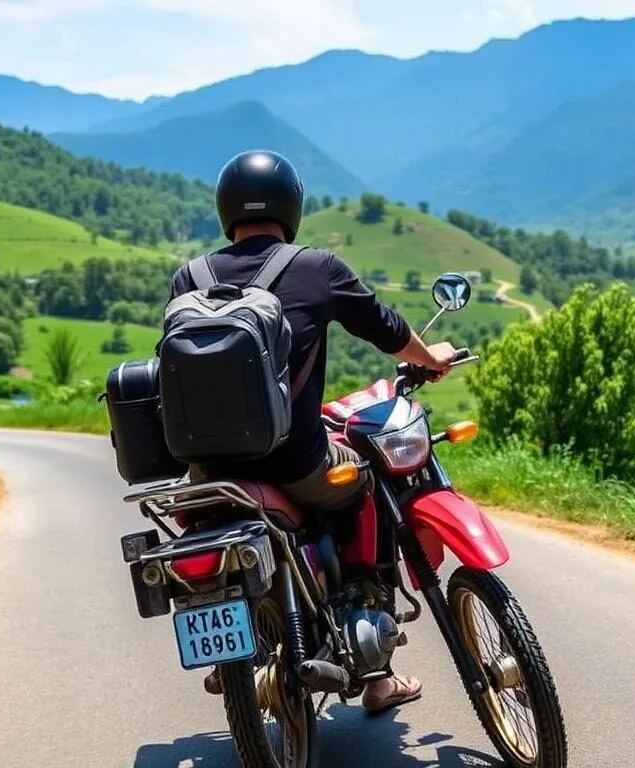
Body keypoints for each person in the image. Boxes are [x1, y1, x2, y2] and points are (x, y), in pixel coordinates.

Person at [167, 149, 457, 714]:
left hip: (208, 471)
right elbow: (389, 329)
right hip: (293, 461)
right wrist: (432, 356)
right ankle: (377, 672)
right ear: (290, 206)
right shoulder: (316, 267)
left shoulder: (190, 277)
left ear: (227, 209)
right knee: (365, 484)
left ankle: (234, 648)